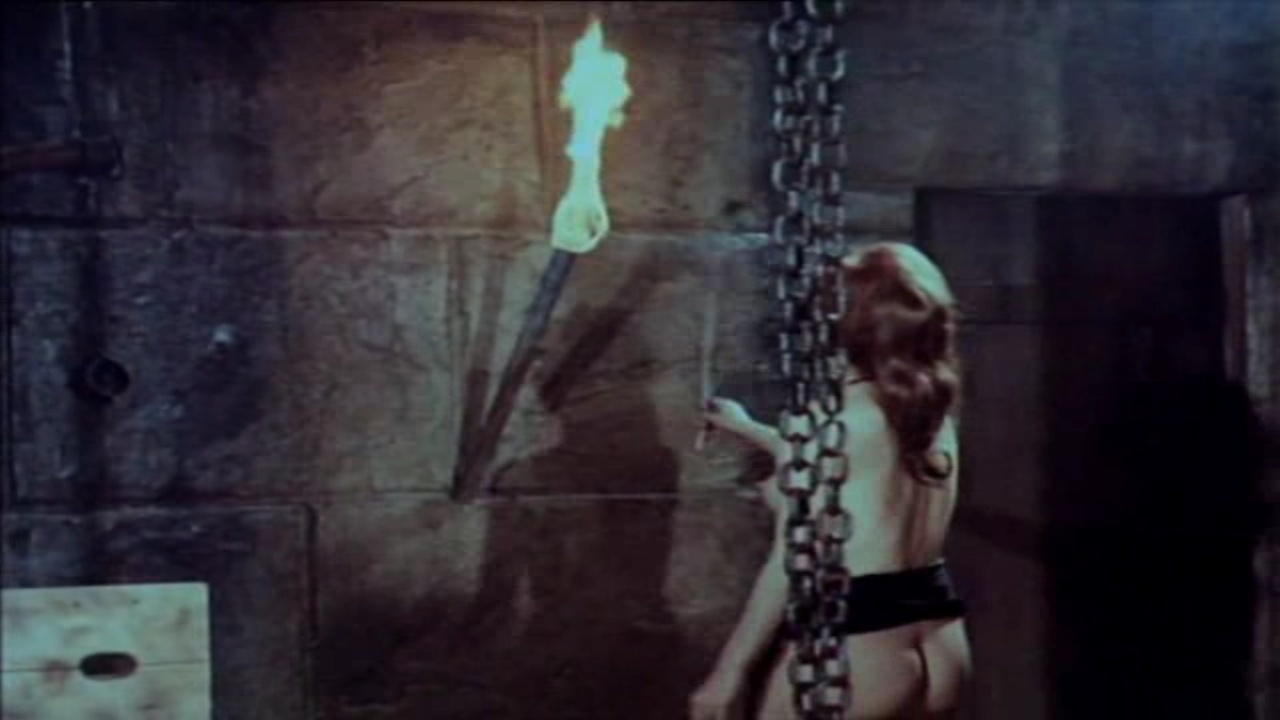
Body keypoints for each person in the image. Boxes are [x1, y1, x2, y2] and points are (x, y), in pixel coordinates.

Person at [689, 242, 972, 720]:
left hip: (861, 642)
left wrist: (728, 673)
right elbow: (866, 464)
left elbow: (789, 560)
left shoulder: (826, 420)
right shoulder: (928, 409)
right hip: (940, 638)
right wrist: (751, 430)